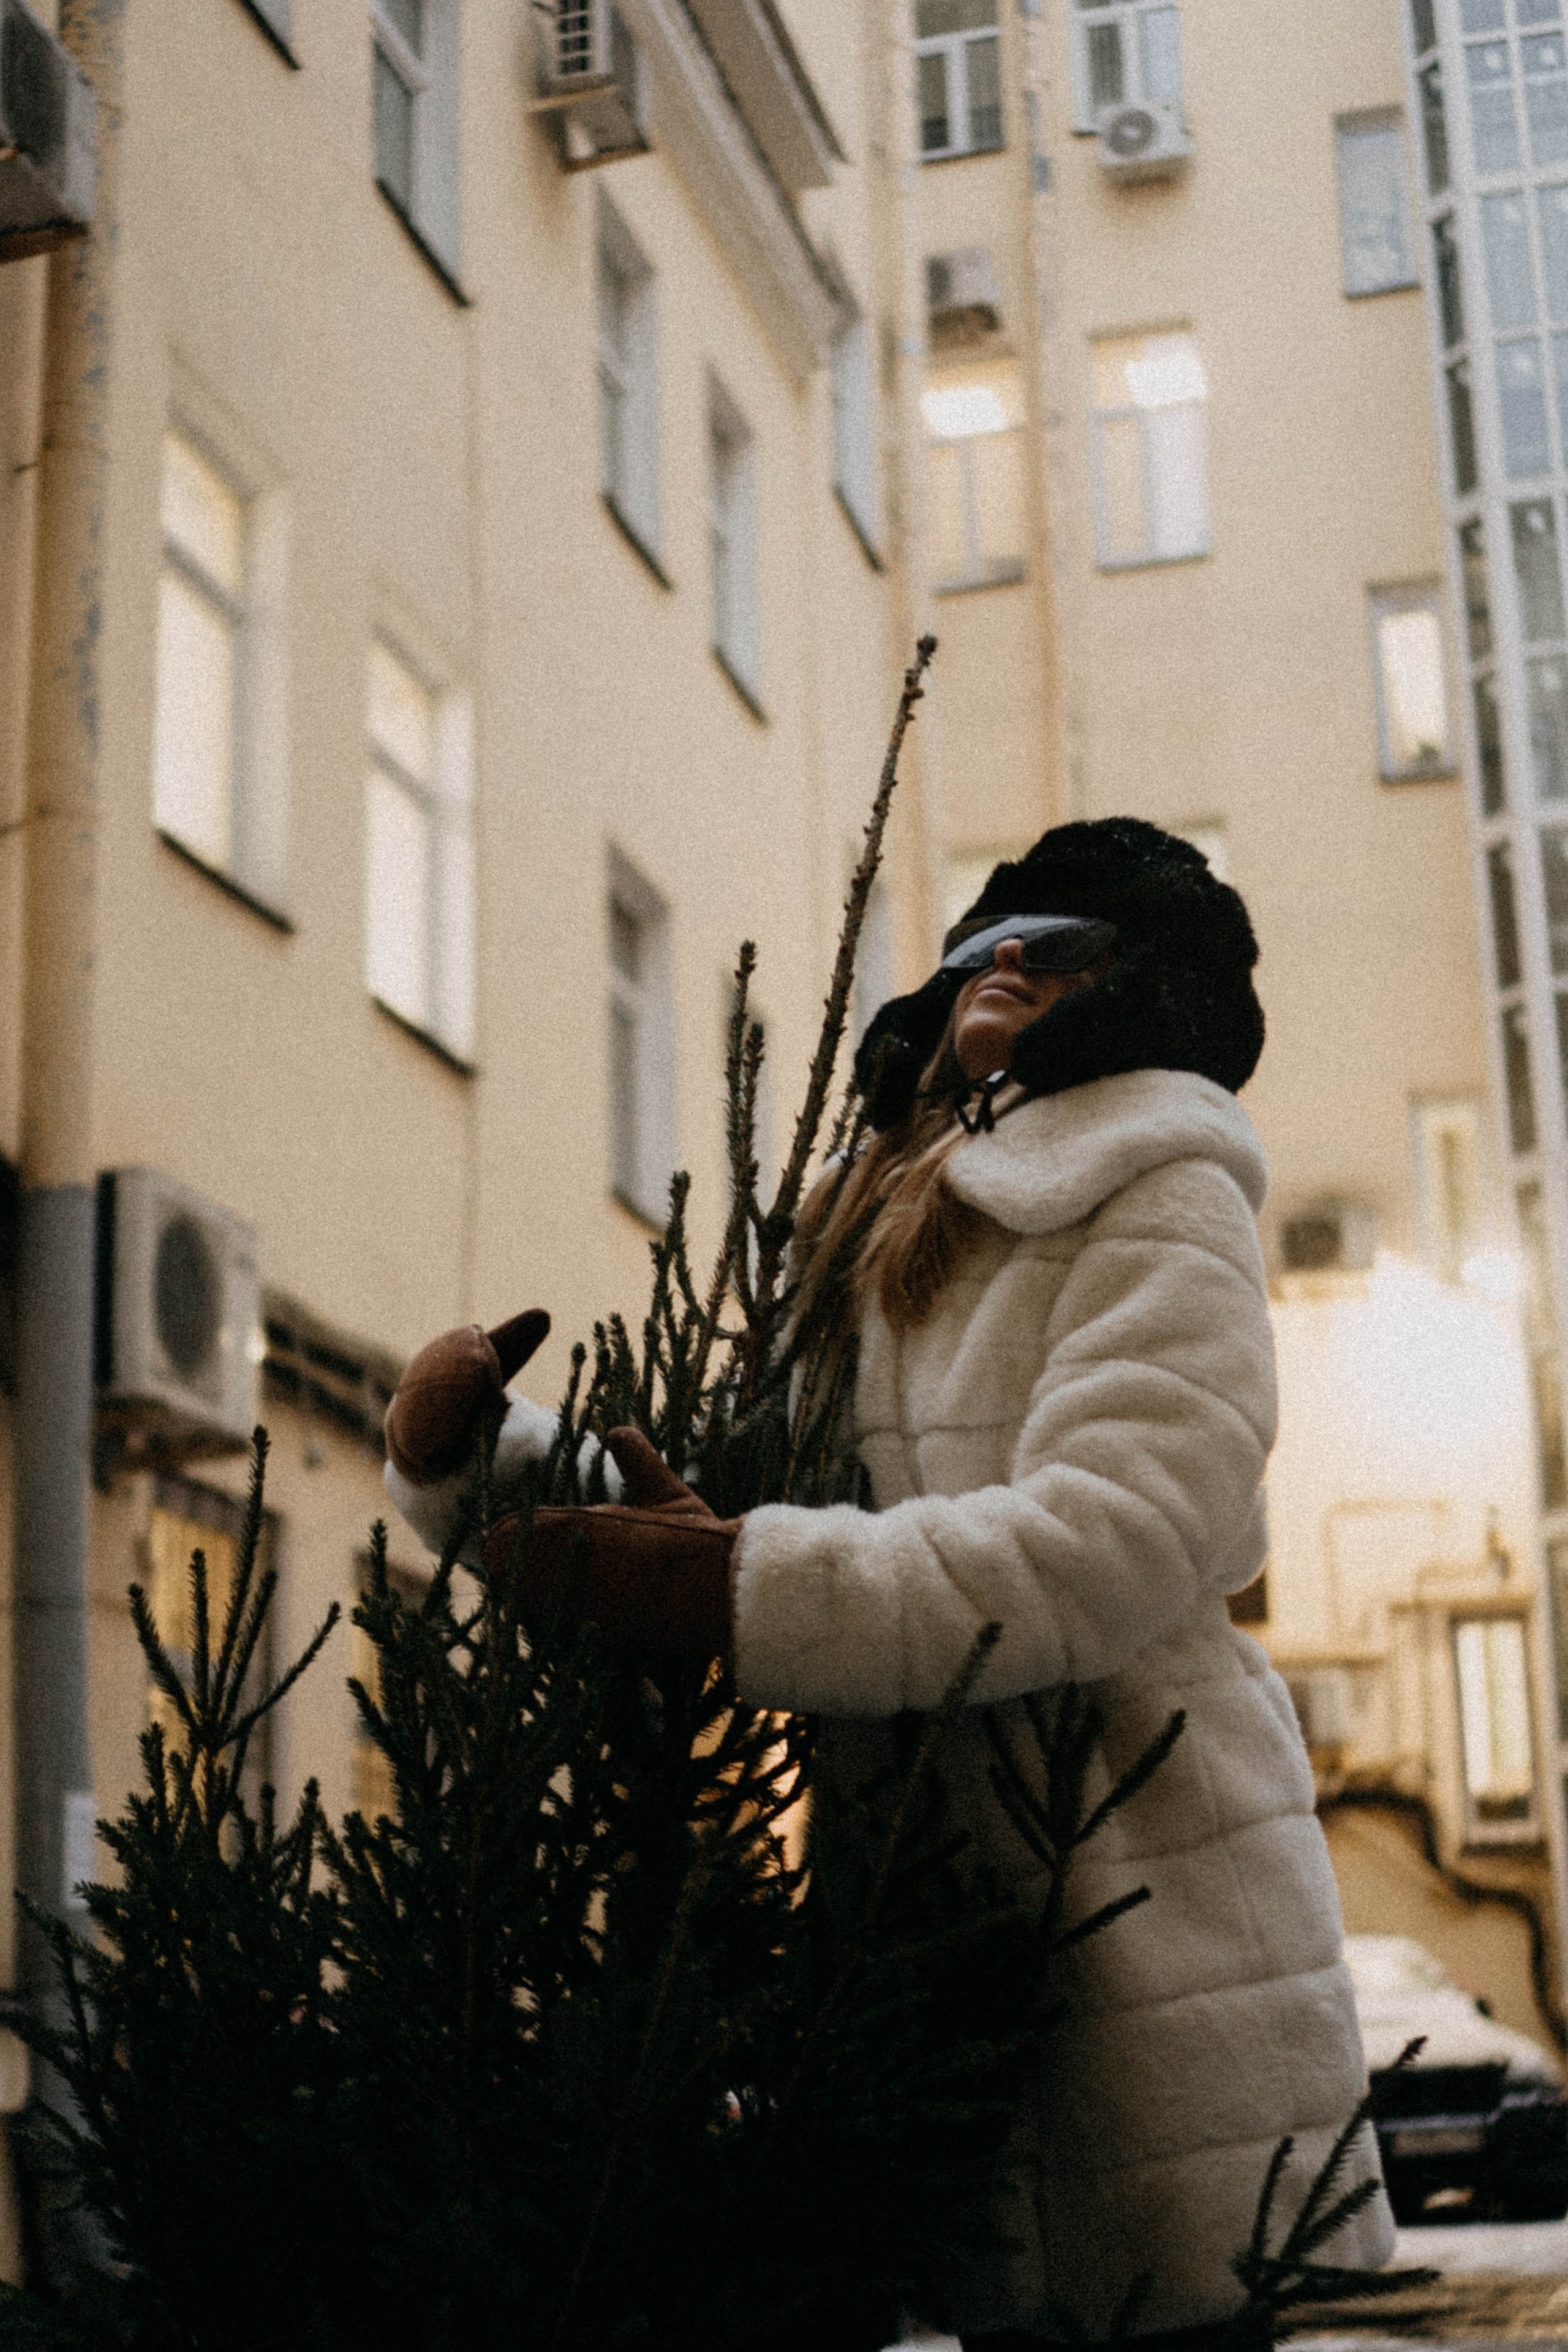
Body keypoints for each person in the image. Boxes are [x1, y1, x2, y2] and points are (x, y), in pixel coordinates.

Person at [382, 818, 1394, 2348]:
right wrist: (486, 1466)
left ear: (1135, 997)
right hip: (921, 1943)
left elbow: (1109, 1541)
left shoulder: (1162, 1191)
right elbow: (730, 1506)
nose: (1000, 971)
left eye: (1054, 953)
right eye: (977, 949)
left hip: (1154, 1914)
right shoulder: (866, 1234)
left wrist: (739, 1593)